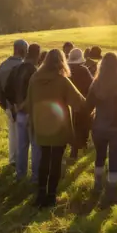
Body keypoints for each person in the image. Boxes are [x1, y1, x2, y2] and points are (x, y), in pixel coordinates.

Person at [25, 49, 85, 207]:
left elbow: (29, 102)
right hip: (59, 127)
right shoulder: (62, 81)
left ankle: (40, 193)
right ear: (61, 62)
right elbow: (78, 102)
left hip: (41, 126)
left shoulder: (34, 79)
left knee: (44, 158)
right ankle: (51, 196)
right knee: (56, 160)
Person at [85, 52, 117, 197]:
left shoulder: (96, 83)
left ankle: (97, 185)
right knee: (114, 158)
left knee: (100, 156)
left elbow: (88, 106)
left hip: (99, 126)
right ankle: (111, 189)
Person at [4, 43, 42, 183]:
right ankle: (35, 177)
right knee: (36, 147)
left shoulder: (15, 69)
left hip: (19, 114)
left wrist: (15, 105)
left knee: (21, 146)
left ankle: (20, 175)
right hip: (32, 114)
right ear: (37, 54)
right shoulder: (35, 72)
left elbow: (7, 90)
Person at [0, 39, 28, 167]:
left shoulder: (2, 66)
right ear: (23, 50)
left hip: (8, 105)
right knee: (23, 136)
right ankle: (22, 162)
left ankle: (13, 159)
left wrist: (5, 106)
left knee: (12, 134)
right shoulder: (25, 66)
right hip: (23, 106)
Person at [67, 48, 94, 159]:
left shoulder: (66, 71)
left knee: (72, 127)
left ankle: (73, 150)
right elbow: (91, 86)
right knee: (82, 127)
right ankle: (80, 148)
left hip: (69, 104)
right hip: (82, 103)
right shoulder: (84, 70)